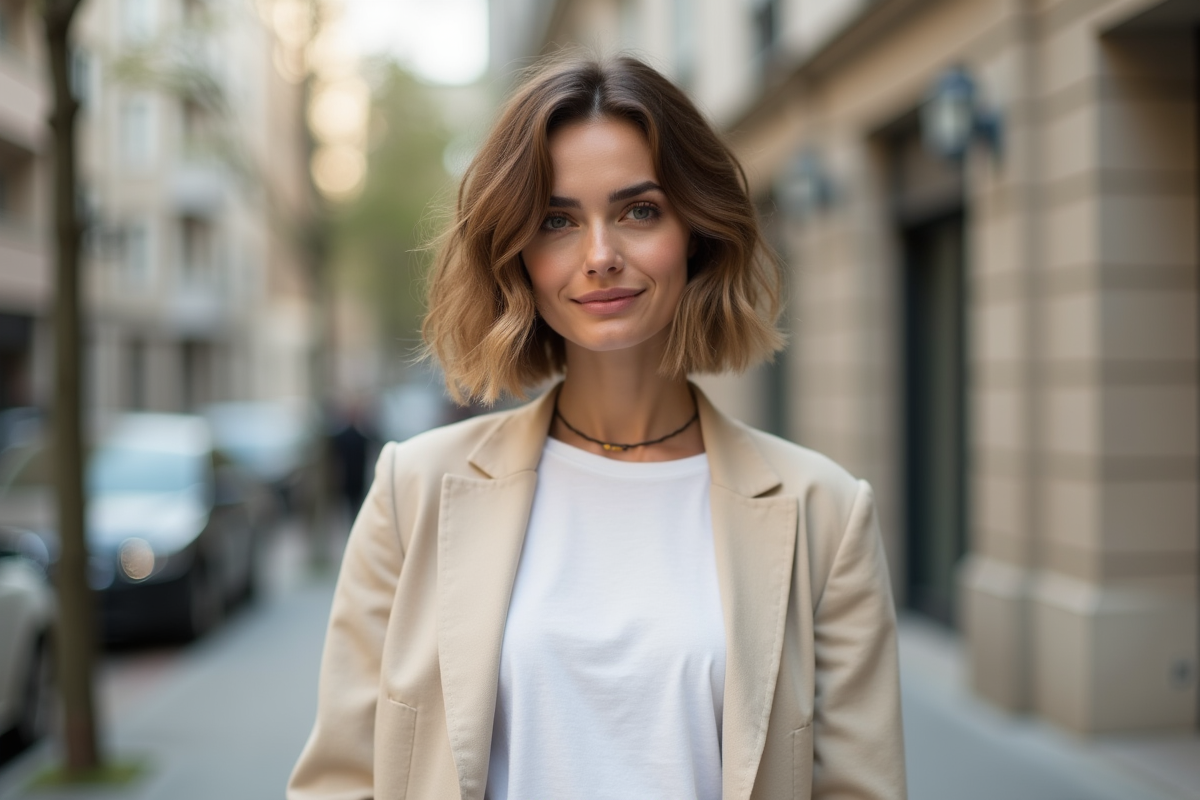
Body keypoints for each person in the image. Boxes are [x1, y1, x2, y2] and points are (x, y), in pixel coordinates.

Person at [288, 54, 905, 800]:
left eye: (639, 211)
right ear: (514, 253)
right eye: (557, 221)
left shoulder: (826, 514)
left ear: (696, 233)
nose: (601, 256)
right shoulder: (414, 492)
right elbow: (339, 784)